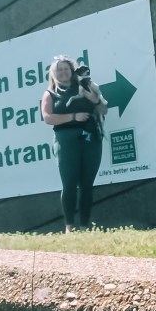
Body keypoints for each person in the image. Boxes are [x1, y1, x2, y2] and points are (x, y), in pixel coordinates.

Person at [41, 56, 107, 232]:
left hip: (91, 138)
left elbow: (104, 109)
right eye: (59, 70)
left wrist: (95, 99)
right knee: (69, 183)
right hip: (66, 140)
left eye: (66, 69)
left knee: (87, 184)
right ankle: (69, 227)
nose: (63, 72)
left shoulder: (86, 86)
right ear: (53, 74)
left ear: (72, 71)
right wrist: (73, 117)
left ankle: (84, 226)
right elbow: (48, 118)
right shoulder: (50, 94)